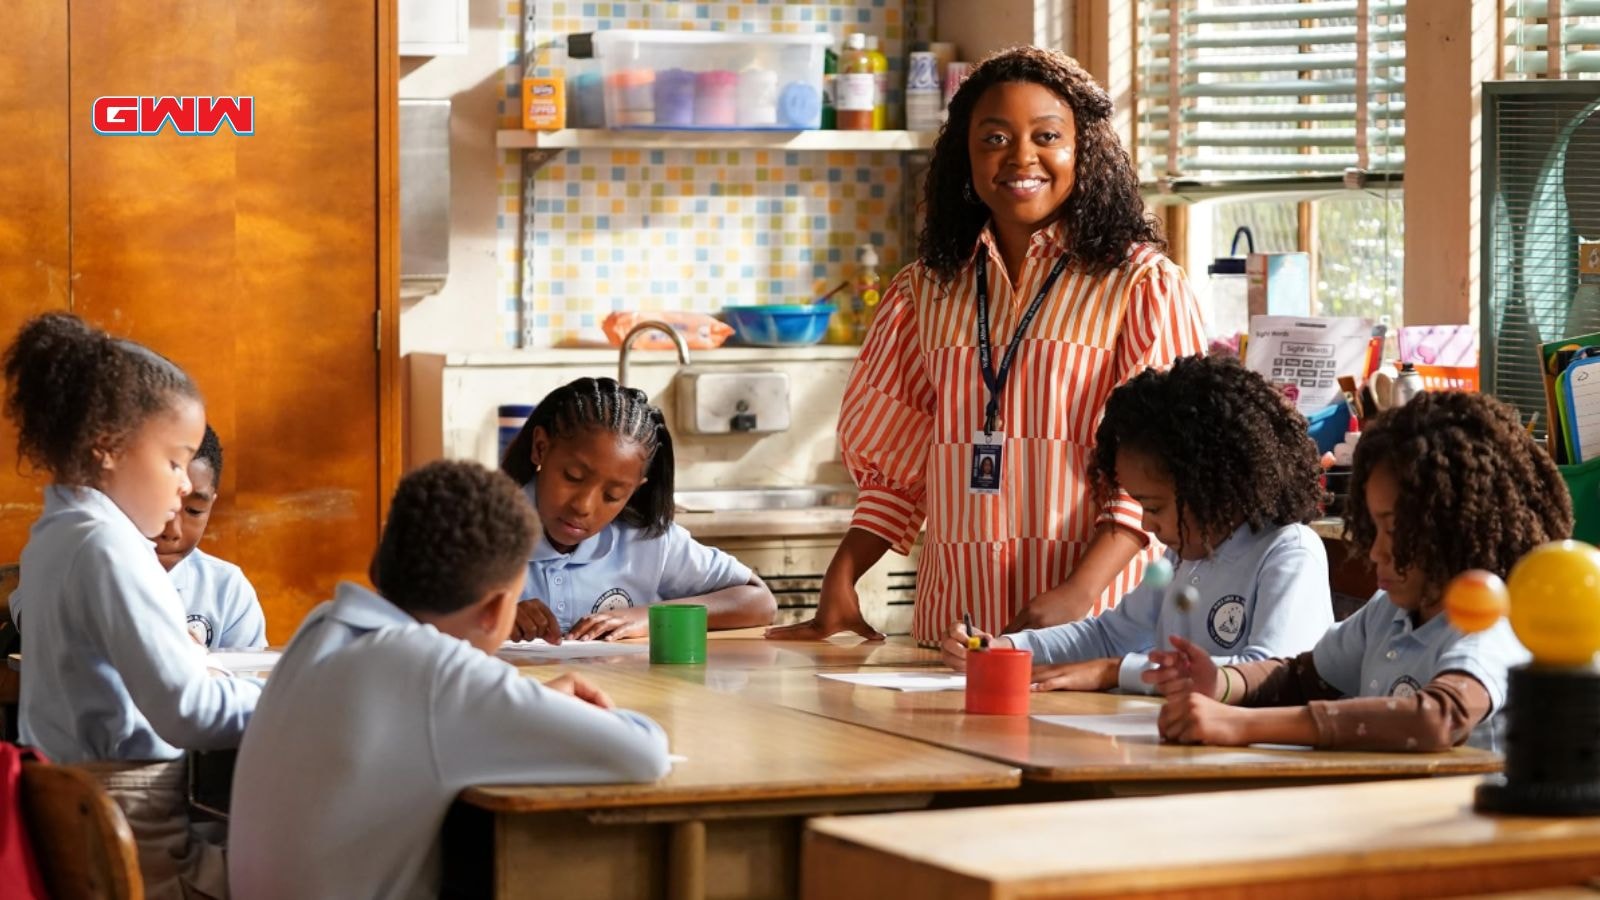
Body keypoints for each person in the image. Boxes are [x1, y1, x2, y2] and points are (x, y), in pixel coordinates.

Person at [770, 46, 1206, 645]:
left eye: (1047, 135)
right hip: (953, 632)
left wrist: (1078, 594)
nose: (1021, 157)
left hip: (1090, 631)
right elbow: (897, 469)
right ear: (965, 156)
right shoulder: (925, 291)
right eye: (994, 138)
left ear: (1086, 150)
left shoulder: (1140, 286)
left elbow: (1162, 472)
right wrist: (843, 576)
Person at [229, 460, 669, 899]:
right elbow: (643, 753)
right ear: (498, 610)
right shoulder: (436, 672)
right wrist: (544, 709)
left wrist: (527, 700)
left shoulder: (325, 626)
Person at [1150, 392, 1570, 751]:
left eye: (1395, 530)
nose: (1376, 550)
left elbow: (1437, 718)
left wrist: (1241, 725)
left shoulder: (1493, 621)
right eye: (1374, 527)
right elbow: (1299, 677)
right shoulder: (1387, 612)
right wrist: (1223, 683)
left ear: (1460, 526)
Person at [4, 312, 258, 898]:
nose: (181, 488)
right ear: (108, 448)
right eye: (174, 462)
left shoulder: (55, 535)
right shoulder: (108, 545)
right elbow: (188, 712)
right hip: (139, 820)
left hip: (84, 806)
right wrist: (294, 692)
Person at [943, 355, 1332, 692]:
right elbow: (1108, 635)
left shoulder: (1288, 552)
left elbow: (1273, 672)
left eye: (1155, 507)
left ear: (1215, 488)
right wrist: (1005, 648)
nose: (1147, 523)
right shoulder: (1182, 558)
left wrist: (1117, 671)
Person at [501, 377, 775, 642]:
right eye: (572, 477)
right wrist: (490, 615)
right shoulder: (482, 526)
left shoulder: (646, 539)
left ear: (634, 490)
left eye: (613, 495)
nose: (583, 506)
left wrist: (648, 616)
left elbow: (760, 601)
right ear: (541, 448)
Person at [157, 424, 268, 649]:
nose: (173, 531)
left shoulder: (226, 589)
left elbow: (251, 679)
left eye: (194, 511)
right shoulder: (93, 574)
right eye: (161, 503)